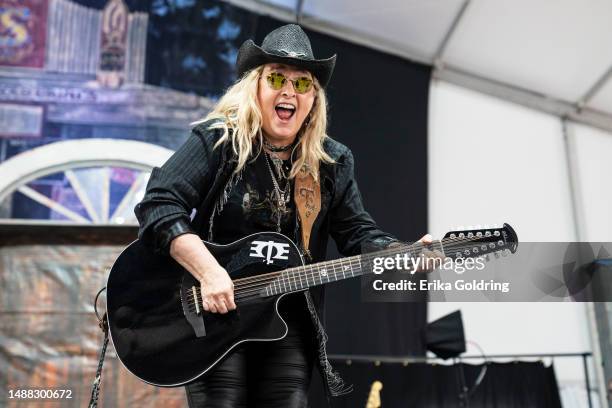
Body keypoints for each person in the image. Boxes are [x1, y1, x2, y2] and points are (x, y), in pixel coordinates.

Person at [135, 23, 435, 408]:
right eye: (277, 78)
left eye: (303, 84)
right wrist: (209, 273)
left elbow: (357, 232)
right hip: (215, 315)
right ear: (255, 88)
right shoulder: (219, 142)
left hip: (287, 322)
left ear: (314, 99)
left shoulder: (331, 161)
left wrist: (400, 251)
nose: (289, 91)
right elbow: (159, 204)